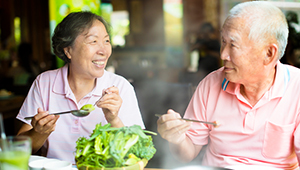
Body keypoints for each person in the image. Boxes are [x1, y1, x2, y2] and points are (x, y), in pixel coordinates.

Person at [157, 1, 300, 169]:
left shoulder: (296, 88)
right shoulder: (211, 84)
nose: (223, 54)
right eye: (223, 42)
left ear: (268, 53)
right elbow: (187, 153)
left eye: (233, 45)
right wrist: (177, 138)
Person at [16, 11, 144, 164]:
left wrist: (114, 119)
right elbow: (18, 149)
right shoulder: (45, 82)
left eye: (107, 41)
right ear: (68, 50)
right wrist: (39, 133)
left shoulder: (121, 87)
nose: (103, 50)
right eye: (93, 41)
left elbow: (138, 156)